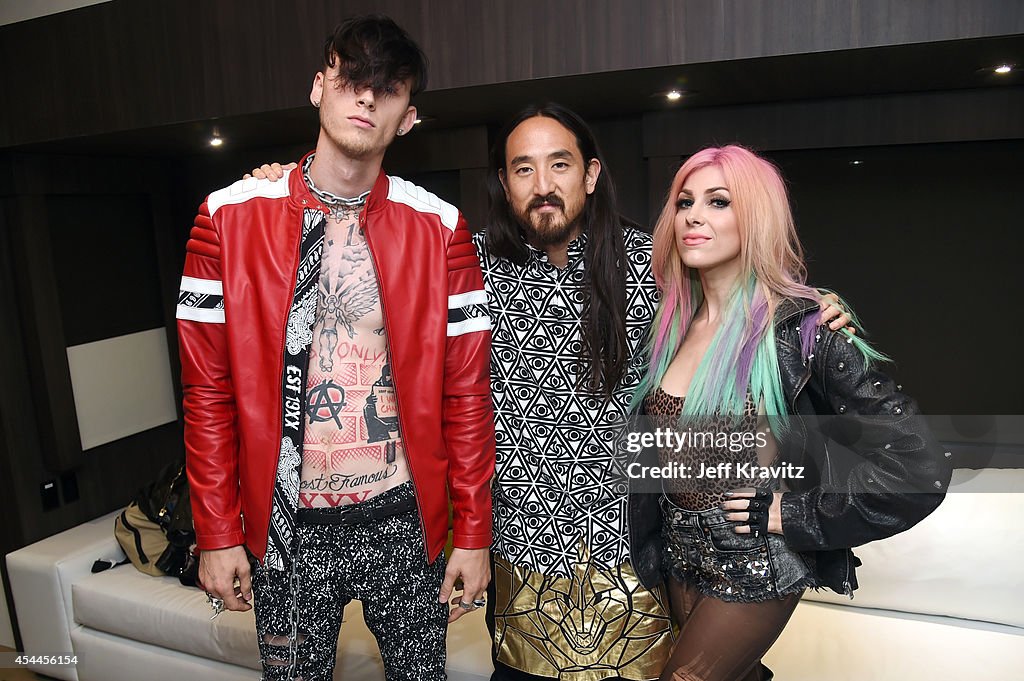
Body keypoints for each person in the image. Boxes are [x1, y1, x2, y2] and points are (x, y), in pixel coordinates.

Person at [251, 104, 852, 681]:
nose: (543, 184)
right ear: (505, 184)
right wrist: (285, 193)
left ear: (590, 175)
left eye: (560, 164)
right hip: (521, 564)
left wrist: (814, 309)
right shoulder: (464, 264)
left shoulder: (657, 262)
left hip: (634, 566)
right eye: (523, 168)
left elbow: (740, 286)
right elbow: (365, 260)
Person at [177, 15, 495, 681]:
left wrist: (472, 533)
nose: (366, 98)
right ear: (319, 86)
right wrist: (216, 531)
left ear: (409, 118)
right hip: (287, 525)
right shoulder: (225, 217)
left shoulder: (442, 230)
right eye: (351, 78)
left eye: (389, 89)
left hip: (403, 522)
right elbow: (207, 392)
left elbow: (465, 393)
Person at [628, 144, 951, 681]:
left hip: (753, 560)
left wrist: (793, 514)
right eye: (685, 201)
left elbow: (918, 466)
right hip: (678, 556)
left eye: (719, 202)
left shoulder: (802, 330)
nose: (693, 216)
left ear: (756, 218)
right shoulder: (667, 325)